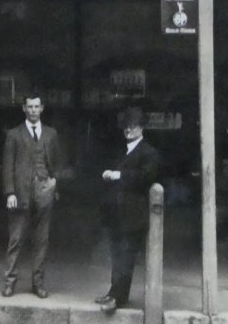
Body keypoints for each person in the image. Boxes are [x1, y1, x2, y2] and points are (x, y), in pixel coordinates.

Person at [1, 93, 66, 298]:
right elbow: (8, 166)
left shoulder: (50, 134)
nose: (33, 110)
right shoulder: (14, 134)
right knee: (16, 238)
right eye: (29, 107)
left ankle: (38, 284)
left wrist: (54, 181)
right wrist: (10, 192)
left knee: (41, 239)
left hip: (44, 192)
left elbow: (57, 162)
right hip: (20, 193)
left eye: (36, 106)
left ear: (42, 108)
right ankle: (10, 282)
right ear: (23, 109)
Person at [95, 106, 158, 314]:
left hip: (133, 216)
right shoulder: (123, 151)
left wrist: (117, 175)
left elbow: (144, 178)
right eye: (126, 127)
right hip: (117, 214)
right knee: (116, 256)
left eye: (133, 126)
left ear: (142, 128)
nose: (128, 130)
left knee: (126, 257)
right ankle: (114, 292)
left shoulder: (149, 153)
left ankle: (119, 298)